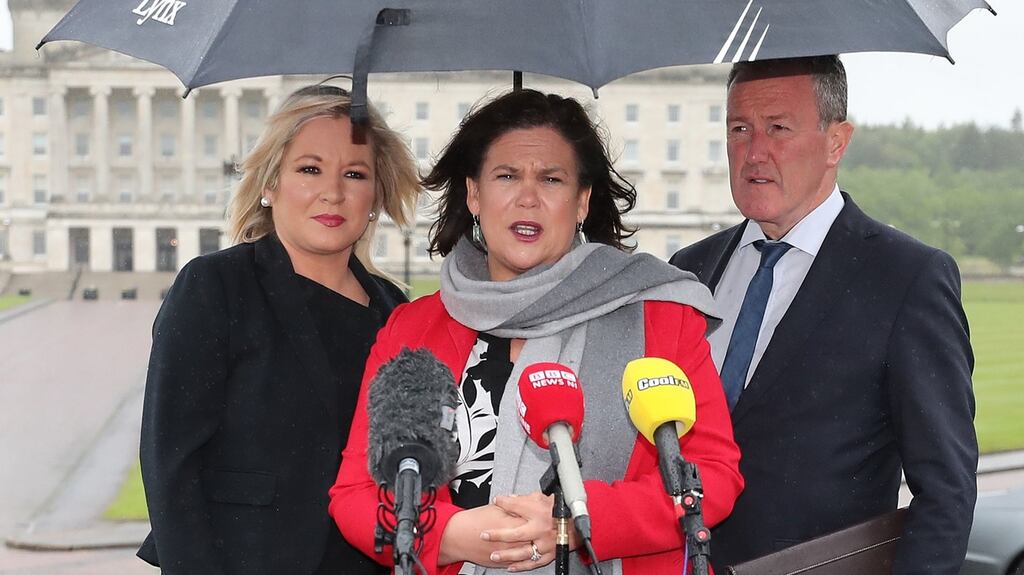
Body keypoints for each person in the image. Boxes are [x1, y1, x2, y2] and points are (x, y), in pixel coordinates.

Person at [330, 89, 744, 575]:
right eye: (506, 176)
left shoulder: (659, 315)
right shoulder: (415, 328)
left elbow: (711, 476)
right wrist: (450, 535)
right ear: (475, 194)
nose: (528, 197)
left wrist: (580, 519)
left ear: (582, 200)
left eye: (551, 179)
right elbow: (357, 492)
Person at [669, 56, 977, 574]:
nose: (754, 152)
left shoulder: (906, 279)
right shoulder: (688, 272)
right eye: (739, 129)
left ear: (838, 141)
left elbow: (945, 490)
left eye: (779, 128)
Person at [137, 83, 419, 575]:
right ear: (270, 184)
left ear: (375, 196)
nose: (333, 192)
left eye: (355, 174)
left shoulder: (395, 311)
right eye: (310, 169)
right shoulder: (215, 286)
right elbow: (171, 464)